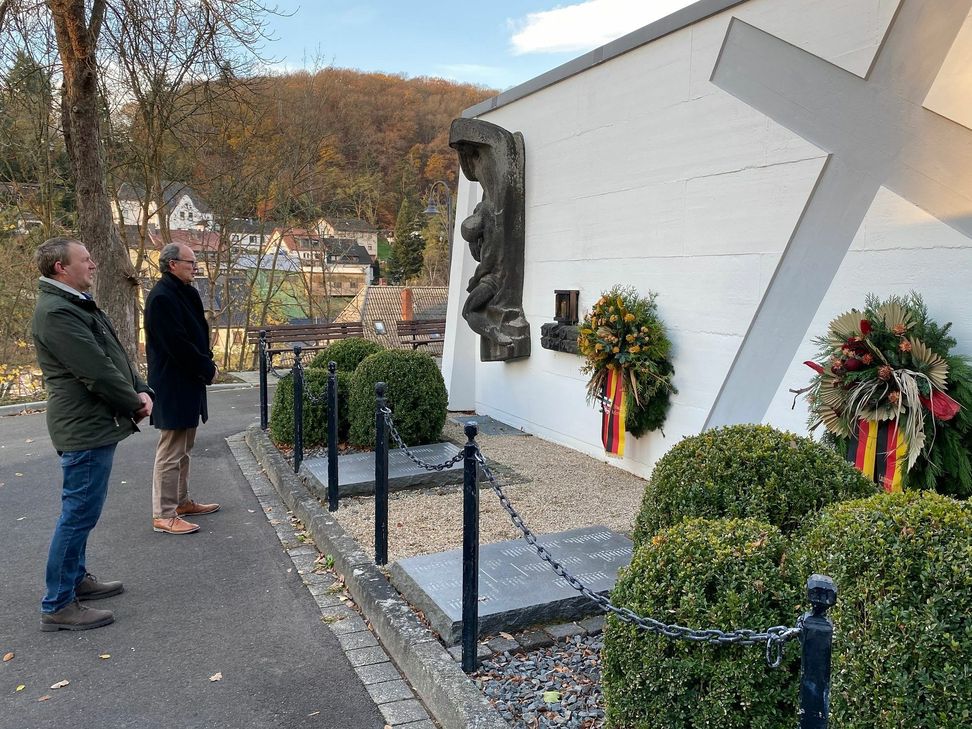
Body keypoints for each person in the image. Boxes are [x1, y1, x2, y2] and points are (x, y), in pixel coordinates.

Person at [32, 237, 154, 631]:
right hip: (83, 427)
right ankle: (58, 603)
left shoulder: (74, 303)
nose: (94, 264)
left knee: (83, 511)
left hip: (92, 423)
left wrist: (141, 386)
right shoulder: (56, 312)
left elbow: (113, 353)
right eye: (85, 259)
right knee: (78, 513)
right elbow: (95, 369)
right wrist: (133, 403)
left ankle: (76, 580)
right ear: (60, 268)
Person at [144, 243, 219, 535]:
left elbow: (197, 335)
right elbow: (176, 344)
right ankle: (163, 513)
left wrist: (206, 363)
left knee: (184, 447)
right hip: (173, 382)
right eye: (191, 262)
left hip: (189, 380)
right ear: (172, 264)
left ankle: (180, 501)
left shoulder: (186, 292)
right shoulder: (162, 297)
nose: (195, 267)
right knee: (171, 449)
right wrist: (206, 367)